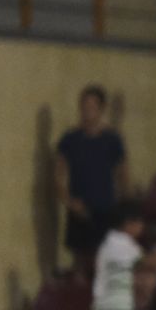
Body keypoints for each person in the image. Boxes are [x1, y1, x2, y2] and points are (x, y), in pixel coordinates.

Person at [55, 84, 129, 279]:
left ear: (101, 109)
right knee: (79, 260)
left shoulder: (112, 140)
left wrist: (122, 207)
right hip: (80, 209)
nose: (87, 111)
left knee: (103, 259)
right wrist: (70, 202)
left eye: (92, 107)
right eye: (84, 106)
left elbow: (122, 175)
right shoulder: (70, 140)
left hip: (105, 208)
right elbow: (58, 176)